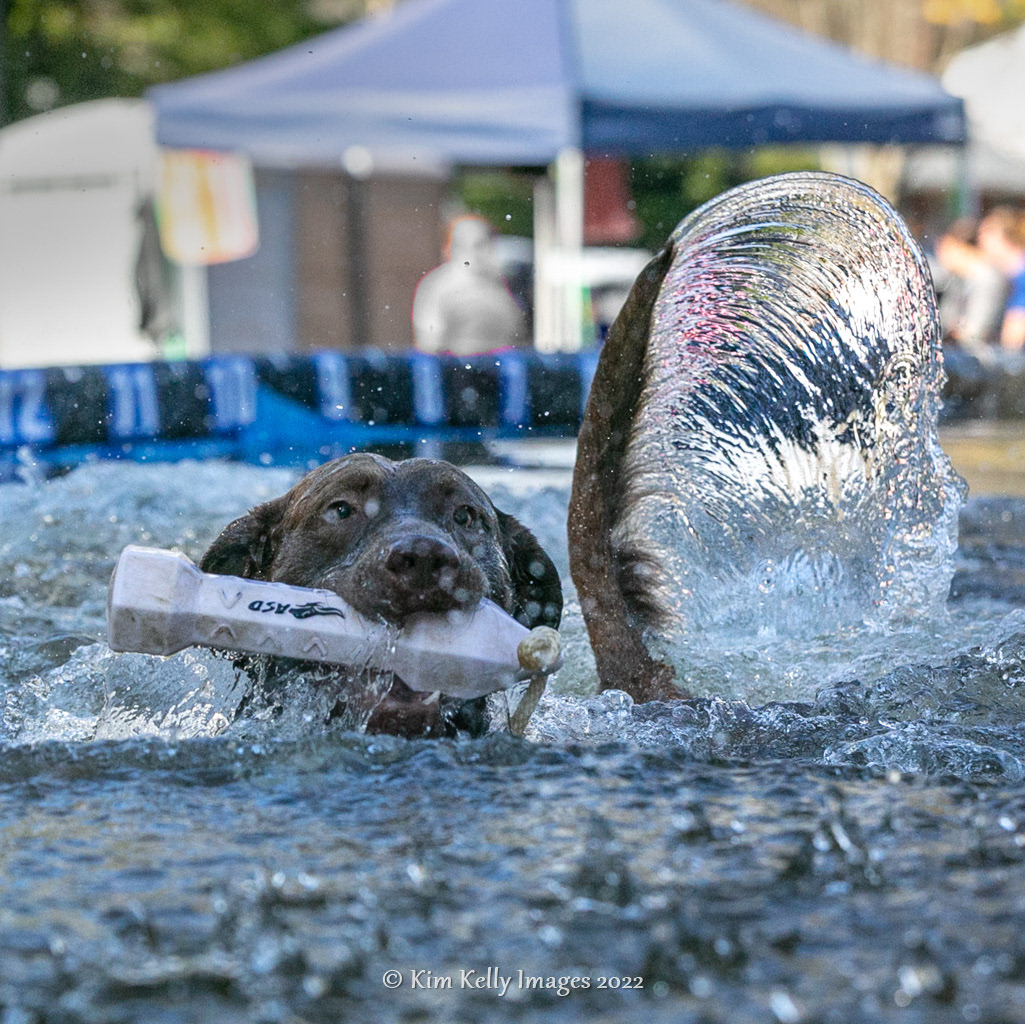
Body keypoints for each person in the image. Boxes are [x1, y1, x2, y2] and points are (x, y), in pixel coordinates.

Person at [412, 215, 527, 356]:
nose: (474, 251)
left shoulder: (499, 283)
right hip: (455, 369)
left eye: (480, 243)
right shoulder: (437, 286)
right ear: (449, 247)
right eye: (464, 244)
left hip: (496, 369)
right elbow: (430, 342)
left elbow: (515, 332)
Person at [934, 217, 1009, 360]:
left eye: (943, 247)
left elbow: (976, 332)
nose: (939, 254)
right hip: (964, 355)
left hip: (979, 360)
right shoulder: (958, 279)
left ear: (959, 246)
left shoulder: (988, 280)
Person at [977, 206, 1025, 352]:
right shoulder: (1010, 275)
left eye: (984, 235)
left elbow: (1012, 340)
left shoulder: (1020, 278)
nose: (979, 242)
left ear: (1002, 238)